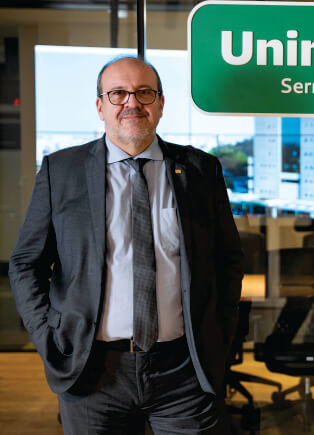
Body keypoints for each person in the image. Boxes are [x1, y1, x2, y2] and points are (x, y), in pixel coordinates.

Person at [9, 56, 244, 434]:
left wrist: (220, 329)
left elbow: (228, 260)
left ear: (161, 104)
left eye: (144, 93)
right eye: (118, 93)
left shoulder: (201, 171)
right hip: (92, 372)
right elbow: (26, 264)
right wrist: (47, 333)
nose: (132, 103)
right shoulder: (61, 171)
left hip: (184, 371)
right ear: (100, 106)